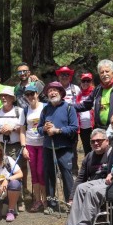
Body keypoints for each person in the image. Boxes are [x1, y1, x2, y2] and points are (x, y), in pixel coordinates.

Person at [49, 128, 111, 225]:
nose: (96, 143)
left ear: (107, 141)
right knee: (81, 191)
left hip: (105, 188)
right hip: (90, 187)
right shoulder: (89, 157)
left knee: (89, 192)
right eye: (93, 141)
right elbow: (80, 178)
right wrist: (72, 197)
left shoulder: (111, 154)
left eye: (99, 140)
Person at [37, 82, 78, 215]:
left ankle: (70, 202)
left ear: (61, 93)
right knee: (49, 175)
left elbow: (74, 127)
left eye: (55, 90)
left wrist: (57, 130)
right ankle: (51, 203)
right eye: (50, 91)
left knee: (67, 175)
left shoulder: (69, 108)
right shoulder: (45, 109)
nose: (52, 93)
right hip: (48, 147)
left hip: (64, 147)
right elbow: (39, 128)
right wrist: (44, 128)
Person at [0, 87, 27, 211]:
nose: (3, 98)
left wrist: (13, 128)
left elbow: (24, 129)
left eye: (6, 96)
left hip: (16, 146)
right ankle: (4, 198)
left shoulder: (20, 111)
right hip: (1, 147)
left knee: (18, 172)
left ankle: (19, 199)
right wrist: (1, 130)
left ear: (12, 98)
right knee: (2, 172)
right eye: (2, 96)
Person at [19, 85, 47, 212]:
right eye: (28, 95)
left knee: (42, 172)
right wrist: (23, 146)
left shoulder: (45, 107)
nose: (30, 97)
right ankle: (37, 200)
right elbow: (22, 130)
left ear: (37, 93)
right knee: (34, 173)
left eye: (32, 94)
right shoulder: (25, 111)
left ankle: (45, 199)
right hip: (30, 144)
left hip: (43, 144)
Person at [74, 59, 113, 130]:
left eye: (107, 71)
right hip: (100, 129)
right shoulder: (98, 89)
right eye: (102, 72)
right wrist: (67, 107)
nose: (105, 74)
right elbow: (85, 105)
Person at [76, 72, 95, 155]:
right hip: (83, 128)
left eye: (88, 81)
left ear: (91, 82)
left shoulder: (95, 93)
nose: (86, 83)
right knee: (86, 149)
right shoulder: (78, 94)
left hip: (93, 126)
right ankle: (88, 166)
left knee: (96, 147)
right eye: (84, 81)